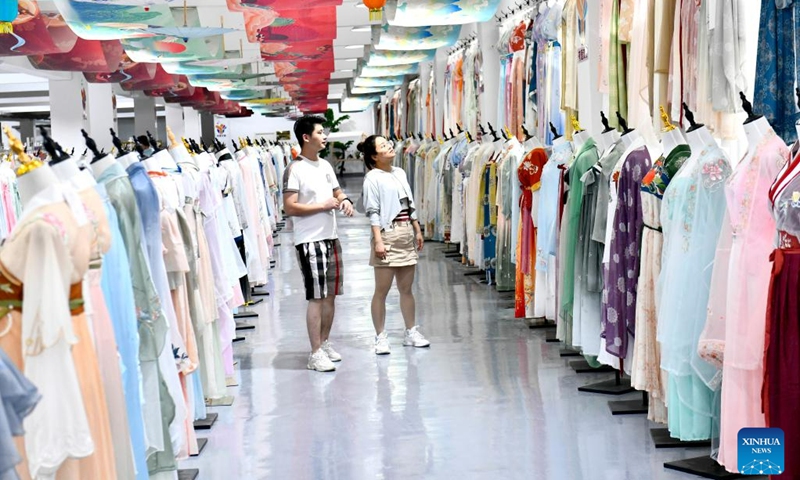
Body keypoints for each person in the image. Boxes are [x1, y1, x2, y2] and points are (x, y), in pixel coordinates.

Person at [283, 115, 355, 372]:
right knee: (316, 297)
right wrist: (321, 206)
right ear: (306, 137)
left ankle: (324, 343)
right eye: (320, 132)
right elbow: (289, 207)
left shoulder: (324, 165)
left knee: (331, 295)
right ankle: (314, 353)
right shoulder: (294, 169)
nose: (325, 136)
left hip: (331, 237)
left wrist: (344, 199)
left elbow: (336, 191)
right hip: (309, 241)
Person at [358, 135, 430, 355]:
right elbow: (372, 211)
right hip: (387, 235)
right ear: (374, 156)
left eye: (388, 143)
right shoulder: (372, 178)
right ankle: (380, 336)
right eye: (383, 146)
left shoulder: (399, 172)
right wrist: (378, 240)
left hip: (406, 233)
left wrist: (417, 229)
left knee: (406, 289)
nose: (389, 146)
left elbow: (409, 203)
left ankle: (411, 332)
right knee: (382, 290)